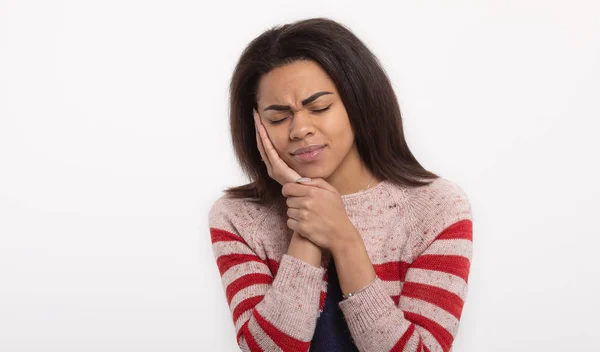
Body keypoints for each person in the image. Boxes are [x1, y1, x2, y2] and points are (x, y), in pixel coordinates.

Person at [208, 17, 473, 352]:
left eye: (319, 107)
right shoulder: (237, 217)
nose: (299, 129)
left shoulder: (438, 208)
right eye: (278, 117)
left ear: (358, 102)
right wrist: (307, 215)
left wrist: (345, 239)